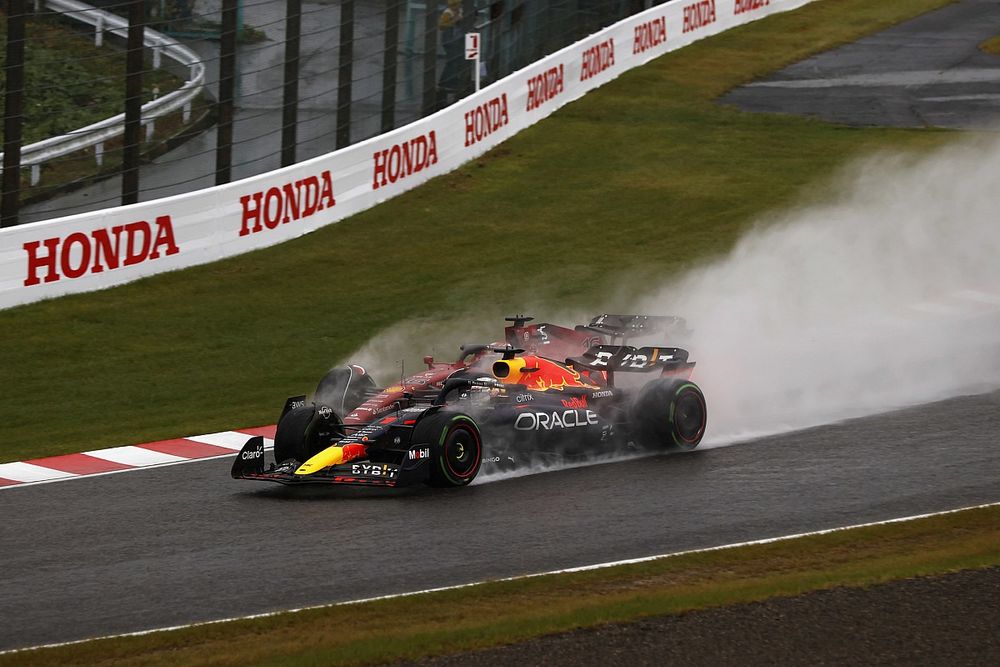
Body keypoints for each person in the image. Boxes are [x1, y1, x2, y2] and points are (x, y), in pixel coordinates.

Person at [437, 0, 466, 106]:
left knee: (458, 59)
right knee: (452, 60)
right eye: (454, 5)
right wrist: (454, 21)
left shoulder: (461, 11)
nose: (456, 7)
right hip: (449, 39)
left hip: (458, 39)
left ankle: (452, 79)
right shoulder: (448, 13)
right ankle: (445, 81)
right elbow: (441, 26)